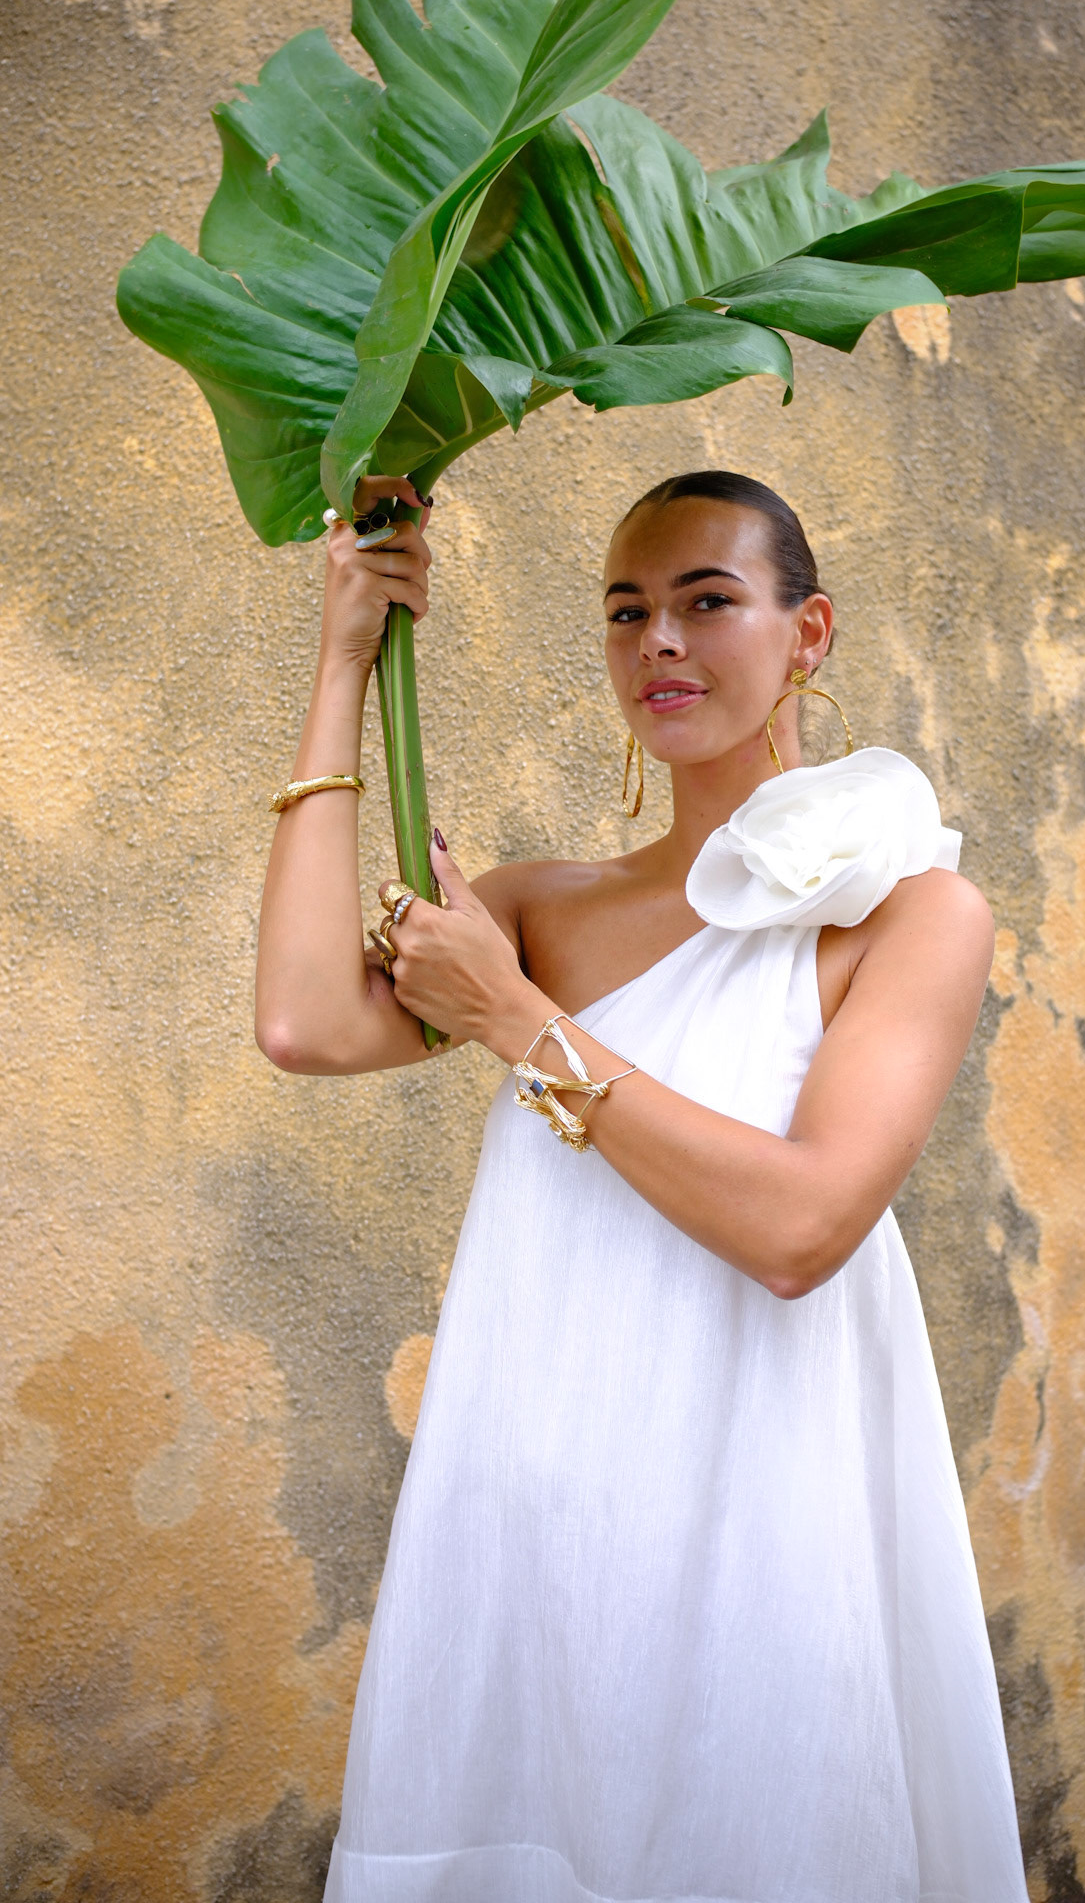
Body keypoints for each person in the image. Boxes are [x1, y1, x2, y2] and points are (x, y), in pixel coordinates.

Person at [256, 469, 1027, 1903]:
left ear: (808, 634)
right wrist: (343, 661)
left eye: (706, 601)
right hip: (541, 1511)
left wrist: (516, 1020)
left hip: (761, 1513)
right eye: (626, 612)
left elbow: (800, 1228)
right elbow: (303, 1024)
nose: (659, 640)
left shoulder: (914, 913)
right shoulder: (545, 908)